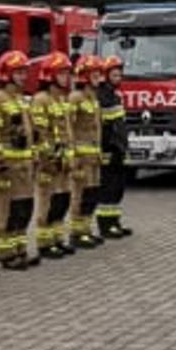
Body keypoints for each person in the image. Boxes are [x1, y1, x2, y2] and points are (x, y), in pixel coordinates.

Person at [0, 49, 41, 271]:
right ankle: (6, 253)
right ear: (6, 73)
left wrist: (35, 152)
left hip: (25, 164)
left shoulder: (21, 99)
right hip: (8, 165)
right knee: (7, 209)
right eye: (17, 72)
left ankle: (20, 248)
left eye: (24, 72)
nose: (22, 77)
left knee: (23, 208)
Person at [30, 52, 78, 259]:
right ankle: (44, 243)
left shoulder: (62, 100)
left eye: (68, 73)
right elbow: (40, 134)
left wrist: (69, 155)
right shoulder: (41, 100)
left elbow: (67, 132)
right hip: (49, 162)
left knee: (62, 199)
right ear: (49, 75)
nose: (66, 78)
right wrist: (47, 159)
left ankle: (58, 238)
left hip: (63, 161)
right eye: (62, 73)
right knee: (47, 201)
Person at [65, 56, 106, 249]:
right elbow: (69, 127)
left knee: (91, 193)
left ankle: (87, 229)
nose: (99, 77)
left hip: (93, 155)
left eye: (99, 73)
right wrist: (73, 153)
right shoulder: (75, 98)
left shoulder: (93, 98)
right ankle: (76, 233)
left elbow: (96, 128)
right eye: (95, 74)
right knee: (79, 194)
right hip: (81, 156)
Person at [93, 55, 135, 239]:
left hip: (118, 148)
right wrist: (107, 149)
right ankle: (105, 226)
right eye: (115, 75)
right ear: (106, 75)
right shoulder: (101, 95)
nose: (118, 78)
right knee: (107, 188)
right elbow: (102, 127)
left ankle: (115, 221)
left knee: (118, 187)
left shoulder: (116, 95)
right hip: (108, 149)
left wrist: (123, 146)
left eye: (120, 75)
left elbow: (120, 124)